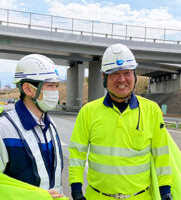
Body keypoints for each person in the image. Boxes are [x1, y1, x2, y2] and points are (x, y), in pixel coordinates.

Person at [68, 43, 173, 200]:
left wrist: (165, 191)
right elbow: (77, 152)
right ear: (104, 77)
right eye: (114, 73)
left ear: (134, 76)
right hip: (97, 196)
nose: (122, 79)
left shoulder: (152, 110)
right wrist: (76, 190)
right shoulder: (88, 111)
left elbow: (161, 154)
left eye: (127, 73)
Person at [0, 54, 65, 199]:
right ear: (28, 89)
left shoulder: (50, 125)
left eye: (56, 85)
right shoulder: (1, 130)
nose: (55, 92)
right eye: (50, 85)